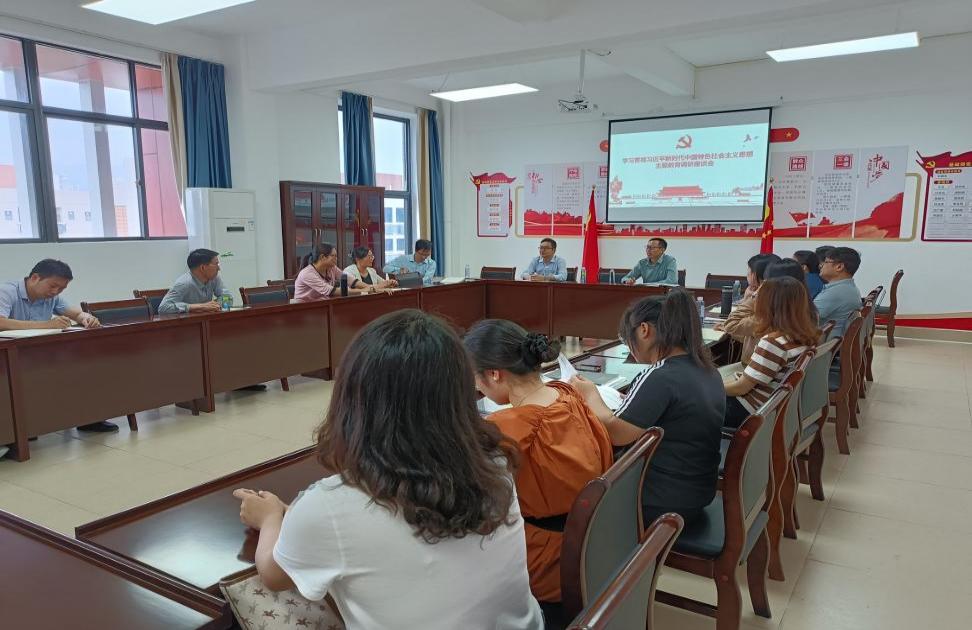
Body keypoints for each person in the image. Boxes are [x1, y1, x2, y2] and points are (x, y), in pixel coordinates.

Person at [233, 310, 543, 630]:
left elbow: (273, 574)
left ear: (355, 399)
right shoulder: (494, 462)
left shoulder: (332, 505)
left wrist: (270, 518)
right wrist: (302, 518)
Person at [464, 320, 612, 603]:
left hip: (548, 562)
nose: (476, 386)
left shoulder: (510, 427)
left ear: (494, 374)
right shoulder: (568, 395)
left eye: (475, 378)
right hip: (593, 546)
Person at [570, 290, 724, 527]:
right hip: (697, 492)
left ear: (644, 330)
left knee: (574, 486)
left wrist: (590, 393)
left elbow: (616, 432)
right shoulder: (707, 369)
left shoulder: (660, 375)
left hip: (662, 501)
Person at [0, 259, 117, 433]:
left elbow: (75, 314)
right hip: (7, 359)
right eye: (53, 286)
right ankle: (16, 430)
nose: (55, 292)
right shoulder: (7, 291)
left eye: (61, 289)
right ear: (35, 278)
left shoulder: (51, 297)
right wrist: (46, 325)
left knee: (86, 365)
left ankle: (88, 418)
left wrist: (86, 318)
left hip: (39, 356)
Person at [723, 277, 818, 428]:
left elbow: (741, 388)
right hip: (770, 407)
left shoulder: (773, 343)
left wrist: (707, 388)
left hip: (749, 411)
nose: (754, 299)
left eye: (757, 297)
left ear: (768, 304)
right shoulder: (803, 335)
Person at [715, 253, 781, 365]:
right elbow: (754, 334)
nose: (747, 274)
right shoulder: (779, 304)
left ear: (755, 275)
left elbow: (732, 324)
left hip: (750, 368)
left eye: (749, 271)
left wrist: (752, 297)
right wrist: (728, 330)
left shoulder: (766, 309)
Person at [295, 243, 377, 301]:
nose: (336, 259)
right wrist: (365, 290)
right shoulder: (307, 273)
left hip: (324, 305)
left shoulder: (332, 268)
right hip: (304, 309)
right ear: (322, 257)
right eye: (333, 256)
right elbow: (332, 291)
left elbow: (350, 280)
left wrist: (371, 288)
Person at [158, 249, 226, 315]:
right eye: (216, 264)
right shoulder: (184, 283)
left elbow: (227, 296)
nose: (219, 268)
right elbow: (163, 308)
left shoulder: (214, 278)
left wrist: (215, 305)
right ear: (203, 268)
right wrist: (195, 307)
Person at [814, 246, 862, 337]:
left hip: (822, 344)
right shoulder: (847, 287)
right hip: (833, 341)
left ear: (839, 267)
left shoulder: (835, 293)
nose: (821, 265)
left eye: (826, 262)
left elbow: (804, 318)